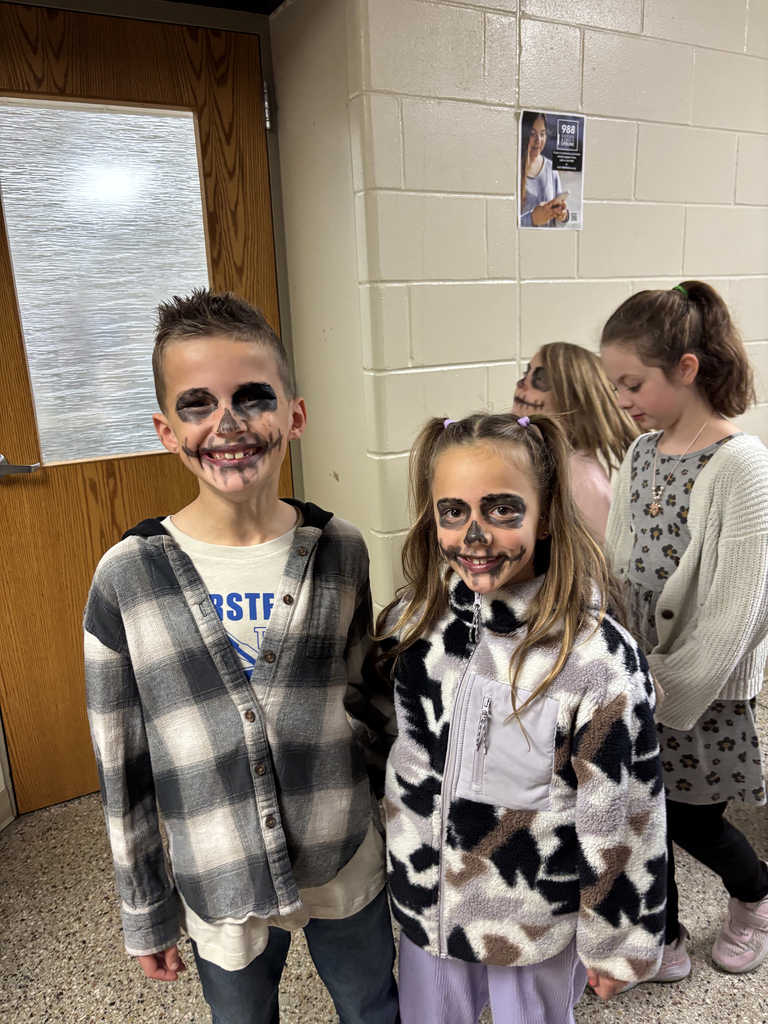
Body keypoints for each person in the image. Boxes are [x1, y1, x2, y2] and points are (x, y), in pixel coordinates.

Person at [84, 289, 399, 1024]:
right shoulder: (126, 576)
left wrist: (403, 836)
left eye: (252, 398)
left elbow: (366, 706)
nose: (227, 425)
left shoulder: (341, 548)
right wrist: (146, 908)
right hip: (216, 870)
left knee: (373, 1005)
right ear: (166, 429)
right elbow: (119, 765)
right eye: (197, 404)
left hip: (341, 852)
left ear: (295, 414)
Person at [377, 412, 666, 1024]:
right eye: (452, 511)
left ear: (548, 515)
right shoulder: (412, 625)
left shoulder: (594, 659)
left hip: (531, 921)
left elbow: (623, 809)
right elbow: (394, 747)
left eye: (501, 509)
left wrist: (618, 943)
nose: (472, 535)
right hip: (428, 909)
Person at [601, 280, 768, 984]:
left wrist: (658, 692)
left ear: (688, 369)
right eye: (615, 386)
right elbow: (614, 561)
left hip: (700, 694)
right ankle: (663, 933)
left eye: (632, 382)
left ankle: (755, 899)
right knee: (643, 819)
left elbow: (736, 614)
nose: (622, 399)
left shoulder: (741, 466)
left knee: (693, 824)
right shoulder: (640, 452)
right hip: (634, 679)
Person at [513, 343, 638, 542]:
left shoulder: (582, 480)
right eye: (526, 374)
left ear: (570, 399)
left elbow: (601, 565)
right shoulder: (545, 463)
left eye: (540, 379)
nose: (521, 384)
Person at [520, 111, 569, 228]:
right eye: (532, 134)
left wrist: (562, 217)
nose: (538, 140)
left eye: (542, 134)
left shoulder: (551, 168)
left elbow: (557, 226)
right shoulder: (513, 169)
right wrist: (532, 219)